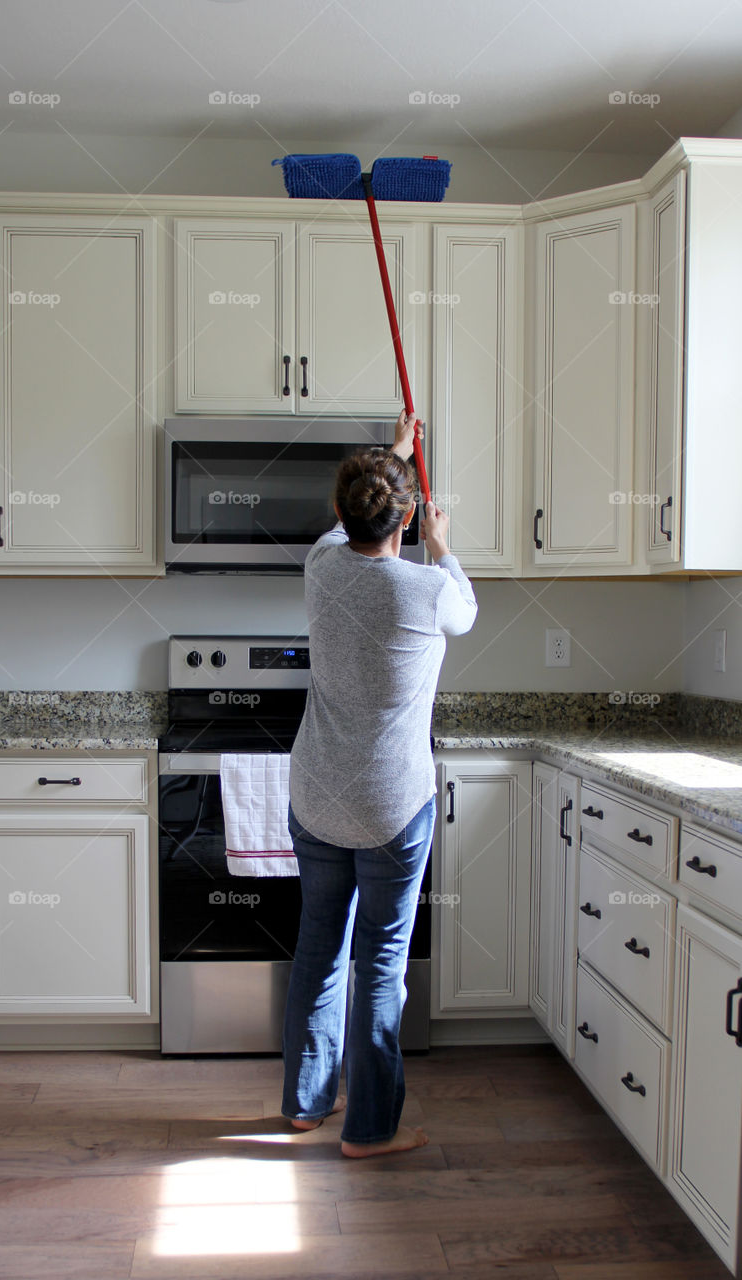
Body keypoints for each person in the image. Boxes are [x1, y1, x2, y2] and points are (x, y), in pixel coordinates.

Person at [281, 409, 478, 1157]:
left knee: (318, 950)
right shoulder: (428, 591)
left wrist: (390, 458)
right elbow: (464, 607)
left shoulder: (320, 567)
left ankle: (305, 1104)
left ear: (340, 511)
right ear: (406, 517)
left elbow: (347, 525)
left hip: (317, 793)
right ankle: (368, 1131)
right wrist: (442, 545)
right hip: (393, 805)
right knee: (380, 963)